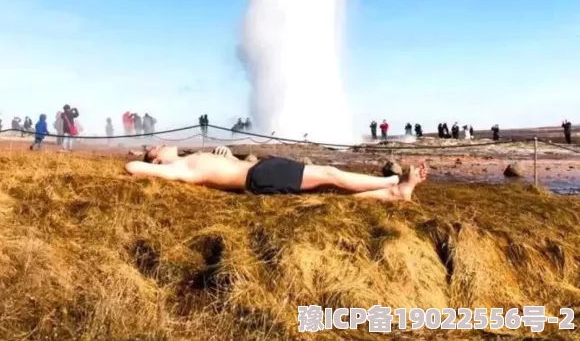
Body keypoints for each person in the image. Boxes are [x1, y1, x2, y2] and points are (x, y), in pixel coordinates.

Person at [125, 144, 428, 202]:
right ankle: (391, 183)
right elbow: (131, 167)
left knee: (328, 186)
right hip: (260, 177)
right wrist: (153, 167)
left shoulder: (190, 158)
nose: (164, 145)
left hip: (260, 169)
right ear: (158, 162)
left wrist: (228, 155)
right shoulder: (177, 168)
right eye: (158, 148)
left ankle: (393, 192)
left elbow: (225, 167)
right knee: (330, 174)